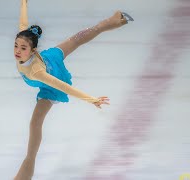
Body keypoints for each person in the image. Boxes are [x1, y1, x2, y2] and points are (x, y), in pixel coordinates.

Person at [13, 0, 133, 179]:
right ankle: (112, 21)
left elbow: (64, 87)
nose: (17, 51)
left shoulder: (36, 72)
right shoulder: (25, 39)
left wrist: (91, 99)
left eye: (23, 48)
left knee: (35, 123)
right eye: (16, 45)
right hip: (49, 58)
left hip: (52, 81)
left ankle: (27, 165)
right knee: (76, 39)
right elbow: (23, 20)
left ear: (32, 50)